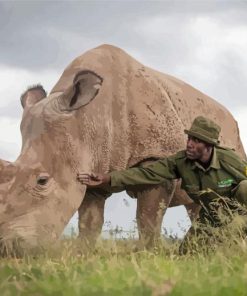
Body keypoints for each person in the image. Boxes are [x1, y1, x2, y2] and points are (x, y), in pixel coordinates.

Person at [77, 116, 247, 254]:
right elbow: (148, 173)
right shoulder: (181, 162)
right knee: (187, 255)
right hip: (210, 217)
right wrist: (106, 178)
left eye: (196, 141)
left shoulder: (229, 160)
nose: (189, 144)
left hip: (241, 215)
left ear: (209, 145)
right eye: (189, 138)